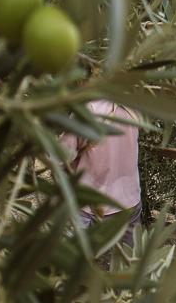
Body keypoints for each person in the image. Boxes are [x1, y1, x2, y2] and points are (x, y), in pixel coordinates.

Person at [60, 100, 143, 244]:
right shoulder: (134, 109)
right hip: (129, 200)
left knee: (73, 259)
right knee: (130, 260)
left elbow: (61, 156)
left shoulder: (87, 110)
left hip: (89, 202)